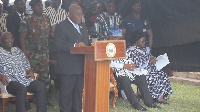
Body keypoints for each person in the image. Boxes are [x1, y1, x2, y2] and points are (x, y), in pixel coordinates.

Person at [110, 30, 162, 111]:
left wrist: (131, 65)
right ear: (111, 38)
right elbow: (109, 63)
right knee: (125, 80)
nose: (118, 39)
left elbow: (127, 59)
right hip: (116, 72)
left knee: (141, 77)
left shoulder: (122, 46)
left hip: (128, 71)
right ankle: (136, 104)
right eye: (116, 37)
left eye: (120, 38)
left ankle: (149, 102)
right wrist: (123, 66)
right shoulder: (107, 48)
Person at [0, 32, 47, 112]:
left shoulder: (17, 50)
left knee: (41, 86)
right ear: (1, 40)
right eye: (7, 38)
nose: (10, 40)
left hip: (24, 79)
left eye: (11, 38)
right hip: (9, 81)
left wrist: (30, 71)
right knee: (21, 89)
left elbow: (26, 65)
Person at [54, 4, 89, 112]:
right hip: (68, 67)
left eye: (81, 14)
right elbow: (58, 45)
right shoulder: (61, 26)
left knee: (78, 93)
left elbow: (86, 43)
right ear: (70, 14)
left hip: (81, 66)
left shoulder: (83, 26)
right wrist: (74, 45)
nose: (80, 17)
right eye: (78, 15)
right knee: (66, 94)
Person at [19, 0, 52, 106]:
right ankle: (30, 99)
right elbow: (22, 38)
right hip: (31, 55)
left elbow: (50, 35)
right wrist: (24, 55)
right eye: (38, 6)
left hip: (44, 55)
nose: (41, 7)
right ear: (32, 8)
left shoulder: (46, 19)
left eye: (41, 5)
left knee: (45, 77)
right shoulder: (27, 20)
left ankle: (44, 99)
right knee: (31, 77)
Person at [126, 30, 173, 103]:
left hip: (149, 69)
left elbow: (150, 57)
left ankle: (159, 96)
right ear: (136, 41)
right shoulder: (131, 51)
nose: (144, 42)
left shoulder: (145, 49)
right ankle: (157, 97)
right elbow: (136, 64)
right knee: (154, 76)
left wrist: (156, 59)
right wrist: (149, 61)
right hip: (138, 71)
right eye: (142, 41)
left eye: (145, 41)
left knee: (162, 74)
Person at [43, 0, 67, 90]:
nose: (57, 1)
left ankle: (59, 85)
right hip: (50, 42)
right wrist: (52, 32)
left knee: (61, 63)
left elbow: (66, 27)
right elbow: (44, 27)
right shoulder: (45, 11)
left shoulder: (64, 12)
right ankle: (49, 87)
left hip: (61, 42)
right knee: (52, 63)